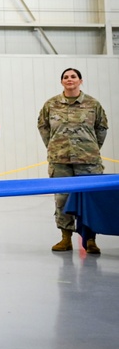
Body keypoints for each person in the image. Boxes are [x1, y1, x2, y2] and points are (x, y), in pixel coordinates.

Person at [38, 68, 109, 254]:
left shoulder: (93, 104)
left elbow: (101, 128)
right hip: (60, 161)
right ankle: (65, 238)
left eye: (73, 77)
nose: (70, 80)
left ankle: (91, 240)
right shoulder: (51, 104)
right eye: (66, 77)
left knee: (90, 199)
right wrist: (55, 146)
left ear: (80, 81)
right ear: (62, 82)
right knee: (62, 198)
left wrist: (90, 148)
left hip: (88, 161)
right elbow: (43, 127)